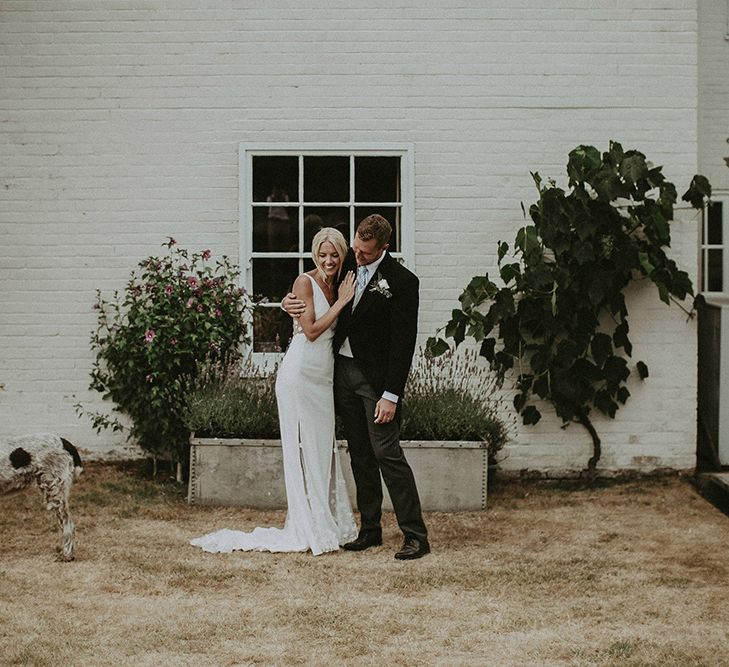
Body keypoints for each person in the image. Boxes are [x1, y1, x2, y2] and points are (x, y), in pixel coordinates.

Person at [190, 228, 358, 555]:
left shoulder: (340, 283)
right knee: (301, 451)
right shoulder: (304, 283)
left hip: (322, 377)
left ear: (341, 255)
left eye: (334, 255)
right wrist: (339, 304)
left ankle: (324, 520)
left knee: (322, 449)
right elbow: (310, 331)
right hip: (298, 375)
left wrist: (341, 298)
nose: (328, 260)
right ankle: (305, 526)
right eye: (322, 254)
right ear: (314, 254)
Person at [283, 214, 430, 560]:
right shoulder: (348, 258)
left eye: (365, 253)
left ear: (384, 247)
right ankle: (370, 529)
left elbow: (402, 344)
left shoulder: (403, 282)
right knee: (360, 453)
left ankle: (415, 535)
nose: (356, 257)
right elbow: (318, 277)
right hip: (340, 373)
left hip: (376, 383)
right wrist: (286, 302)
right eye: (355, 249)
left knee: (386, 453)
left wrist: (391, 394)